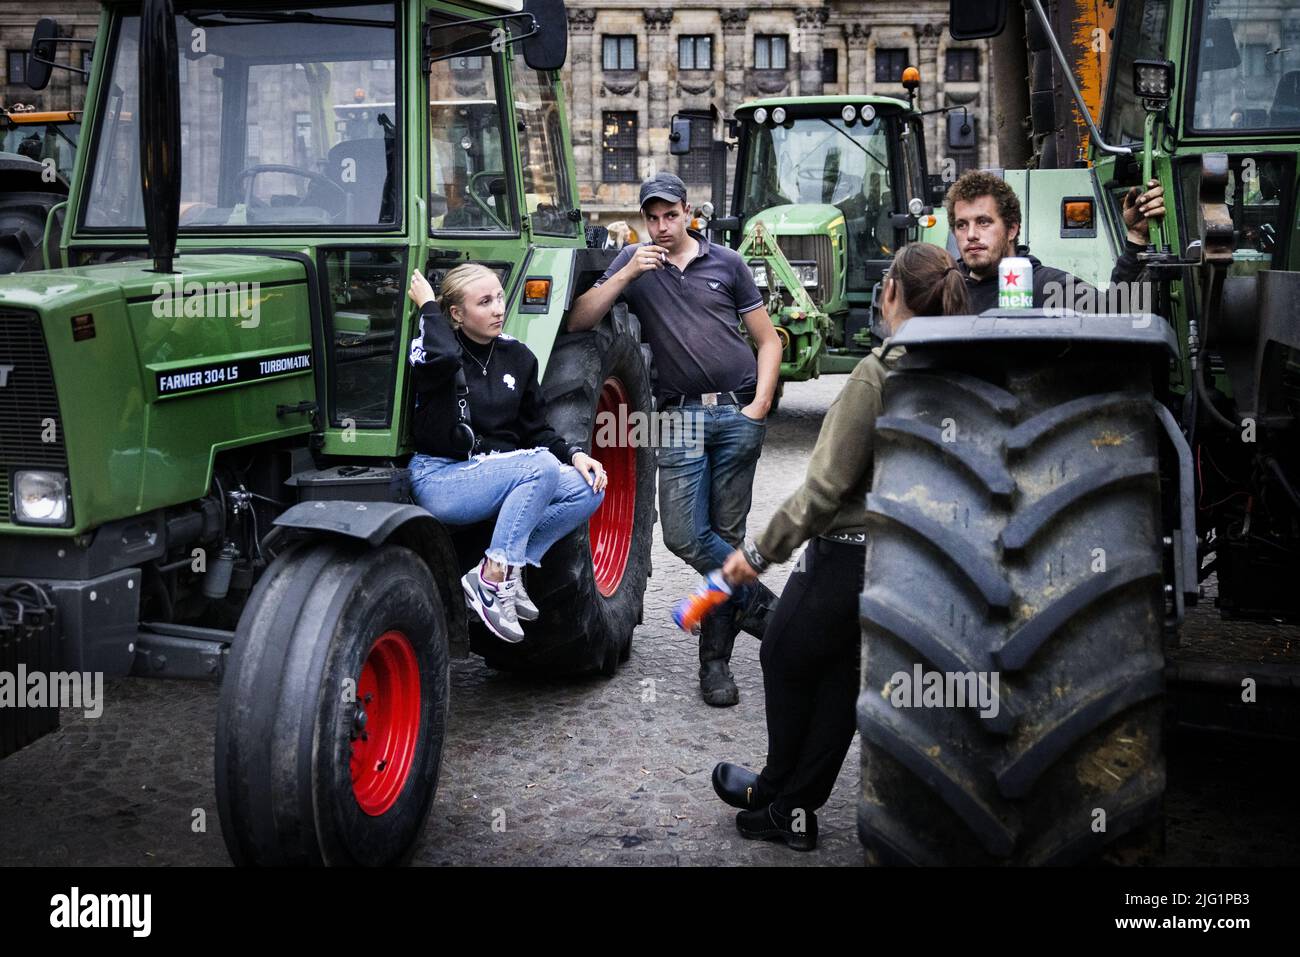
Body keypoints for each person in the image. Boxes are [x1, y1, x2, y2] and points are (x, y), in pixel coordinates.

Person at [710, 242, 970, 851]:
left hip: (847, 555)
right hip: (907, 561)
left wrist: (758, 552)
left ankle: (778, 790)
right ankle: (792, 807)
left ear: (890, 296)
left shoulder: (877, 374)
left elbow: (824, 490)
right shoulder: (956, 370)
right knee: (839, 676)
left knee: (782, 654)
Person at [568, 171, 783, 708]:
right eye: (653, 217)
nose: (662, 227)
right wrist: (624, 275)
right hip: (678, 417)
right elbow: (579, 320)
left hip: (736, 410)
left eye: (671, 215)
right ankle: (772, 613)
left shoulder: (727, 263)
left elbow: (768, 341)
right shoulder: (634, 263)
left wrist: (758, 407)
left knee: (725, 538)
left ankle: (715, 667)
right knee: (684, 537)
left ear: (690, 212)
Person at [406, 263, 608, 644]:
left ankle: (501, 571)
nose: (498, 308)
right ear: (456, 314)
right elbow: (445, 359)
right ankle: (492, 578)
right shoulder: (436, 353)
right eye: (484, 302)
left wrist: (574, 455)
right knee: (539, 467)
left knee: (589, 488)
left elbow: (536, 430)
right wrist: (428, 307)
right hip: (441, 476)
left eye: (499, 297)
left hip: (497, 471)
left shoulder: (519, 357)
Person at [945, 169, 1166, 312]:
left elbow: (1113, 313)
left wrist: (1136, 238)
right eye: (962, 225)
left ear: (1012, 229)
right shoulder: (944, 292)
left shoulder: (1047, 287)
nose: (971, 234)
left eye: (983, 222)